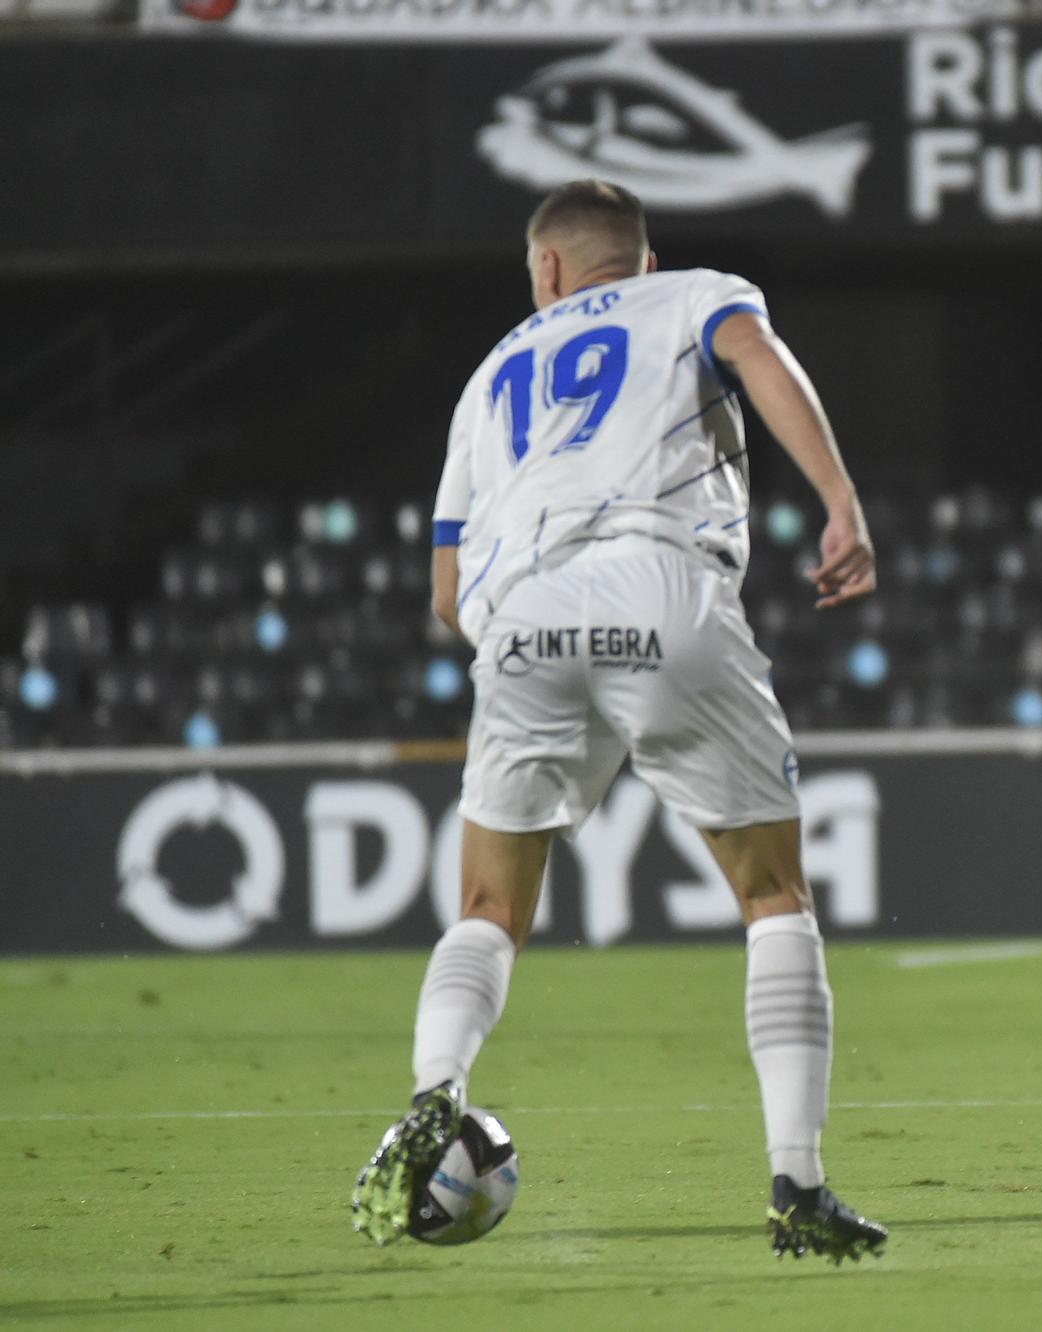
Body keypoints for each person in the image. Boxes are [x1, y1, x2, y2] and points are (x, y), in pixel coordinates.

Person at [351, 180, 887, 1263]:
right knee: (772, 896)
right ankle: (797, 1185)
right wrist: (838, 497)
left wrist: (532, 657)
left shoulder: (489, 373)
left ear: (547, 270)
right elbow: (755, 357)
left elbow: (446, 593)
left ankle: (433, 1091)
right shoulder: (694, 293)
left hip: (520, 619)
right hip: (662, 587)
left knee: (489, 904)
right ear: (636, 261)